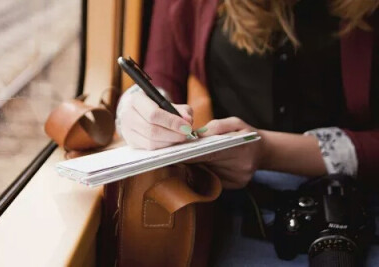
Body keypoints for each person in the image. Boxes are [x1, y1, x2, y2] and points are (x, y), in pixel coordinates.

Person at [116, 0, 379, 265]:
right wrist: (137, 112)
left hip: (361, 209)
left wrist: (268, 151)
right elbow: (160, 77)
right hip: (234, 211)